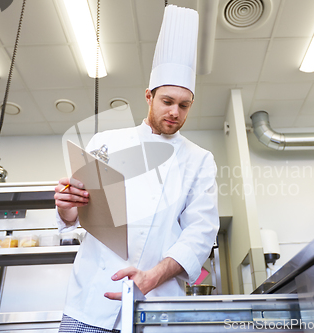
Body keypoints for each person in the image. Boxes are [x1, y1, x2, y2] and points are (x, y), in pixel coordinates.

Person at [54, 5, 219, 333]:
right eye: (167, 101)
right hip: (90, 300)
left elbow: (201, 231)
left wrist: (152, 277)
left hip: (156, 305)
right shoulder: (107, 141)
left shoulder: (199, 159)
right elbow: (79, 215)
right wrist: (67, 208)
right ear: (149, 96)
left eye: (184, 105)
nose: (174, 112)